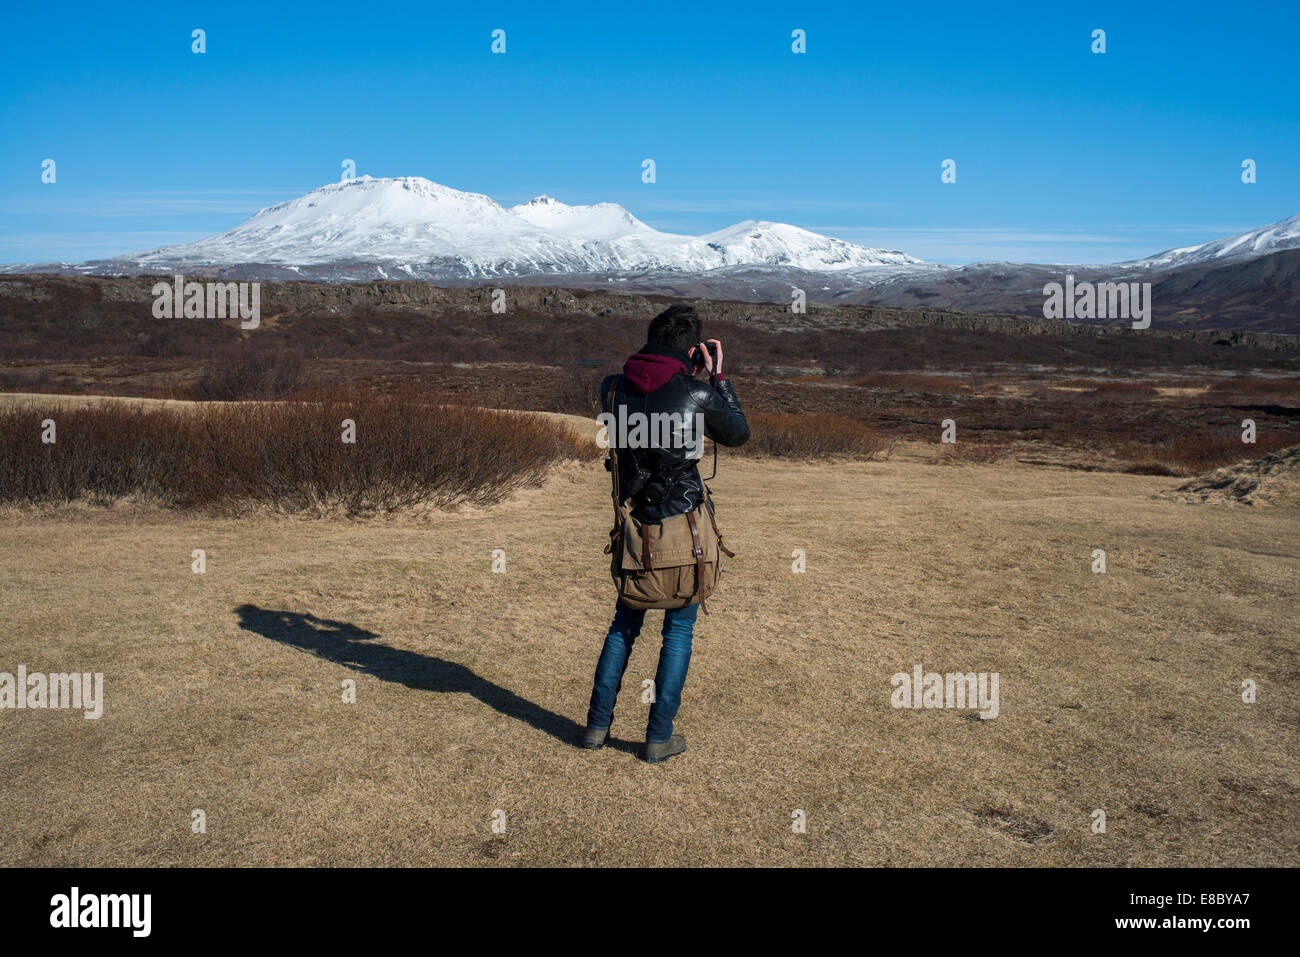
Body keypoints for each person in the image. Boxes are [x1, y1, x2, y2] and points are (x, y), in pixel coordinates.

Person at [582, 304, 750, 763]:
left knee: (623, 625)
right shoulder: (696, 391)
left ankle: (597, 728)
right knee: (678, 633)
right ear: (695, 348)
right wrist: (715, 380)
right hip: (686, 526)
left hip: (636, 526)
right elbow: (737, 434)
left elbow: (643, 404)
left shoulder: (611, 388)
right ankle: (658, 738)